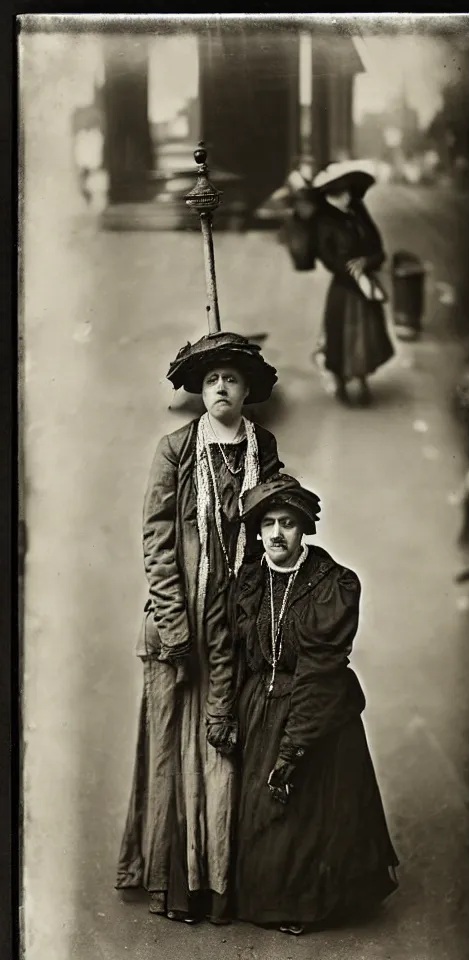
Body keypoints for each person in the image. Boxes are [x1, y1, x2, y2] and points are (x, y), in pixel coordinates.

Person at [115, 331, 283, 926]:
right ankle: (170, 883)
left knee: (226, 747)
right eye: (211, 379)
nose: (221, 388)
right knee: (170, 750)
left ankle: (221, 885)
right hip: (178, 623)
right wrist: (174, 622)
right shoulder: (176, 450)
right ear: (198, 389)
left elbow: (273, 529)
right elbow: (158, 541)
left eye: (232, 379)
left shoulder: (263, 448)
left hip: (237, 623)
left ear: (247, 390)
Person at [233, 475, 399, 935]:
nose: (276, 534)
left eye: (288, 522)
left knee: (307, 813)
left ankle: (308, 904)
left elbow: (320, 673)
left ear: (304, 528)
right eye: (267, 524)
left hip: (317, 711)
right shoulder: (250, 581)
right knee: (260, 821)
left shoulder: (335, 585)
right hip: (260, 708)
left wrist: (293, 748)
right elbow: (236, 656)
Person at [312, 163, 395, 405]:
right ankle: (340, 381)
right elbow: (328, 258)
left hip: (365, 284)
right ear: (333, 192)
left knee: (366, 337)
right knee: (342, 336)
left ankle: (361, 380)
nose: (349, 196)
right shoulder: (324, 220)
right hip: (344, 288)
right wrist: (350, 270)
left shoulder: (359, 211)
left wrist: (366, 261)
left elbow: (379, 250)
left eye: (350, 190)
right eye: (343, 191)